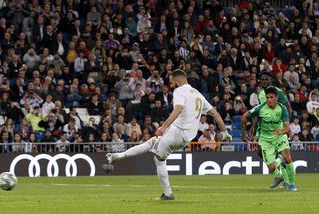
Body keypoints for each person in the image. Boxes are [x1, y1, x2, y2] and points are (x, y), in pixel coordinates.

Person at [106, 69, 232, 200]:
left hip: (178, 131)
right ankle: (118, 156)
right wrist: (224, 132)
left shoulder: (179, 91)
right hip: (187, 136)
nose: (172, 85)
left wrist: (163, 126)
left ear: (178, 81)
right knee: (153, 142)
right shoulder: (198, 94)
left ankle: (167, 194)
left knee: (159, 159)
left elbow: (178, 109)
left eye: (172, 82)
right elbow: (216, 114)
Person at [241, 87, 297, 191]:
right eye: (267, 98)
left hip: (279, 137)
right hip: (266, 140)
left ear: (276, 98)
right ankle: (280, 162)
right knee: (271, 168)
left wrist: (281, 132)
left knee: (288, 158)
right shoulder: (260, 108)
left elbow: (287, 127)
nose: (269, 99)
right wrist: (244, 133)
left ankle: (292, 185)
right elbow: (244, 117)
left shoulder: (282, 109)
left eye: (272, 97)